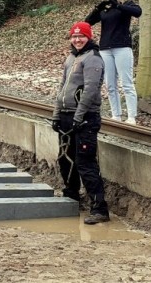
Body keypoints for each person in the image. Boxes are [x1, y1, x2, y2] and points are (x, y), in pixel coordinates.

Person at [51, 21, 110, 225]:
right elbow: (62, 87)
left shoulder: (93, 59)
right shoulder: (71, 58)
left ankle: (99, 208)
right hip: (67, 116)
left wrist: (79, 116)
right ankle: (71, 197)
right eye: (74, 36)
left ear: (88, 37)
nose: (77, 39)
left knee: (85, 162)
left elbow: (91, 90)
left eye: (81, 36)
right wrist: (57, 115)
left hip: (85, 118)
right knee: (66, 159)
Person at [85, 0, 142, 124]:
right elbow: (87, 22)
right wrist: (98, 8)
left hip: (122, 47)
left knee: (127, 83)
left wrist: (117, 5)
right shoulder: (105, 8)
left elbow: (137, 12)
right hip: (105, 49)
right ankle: (116, 115)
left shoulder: (125, 4)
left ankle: (131, 116)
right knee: (110, 84)